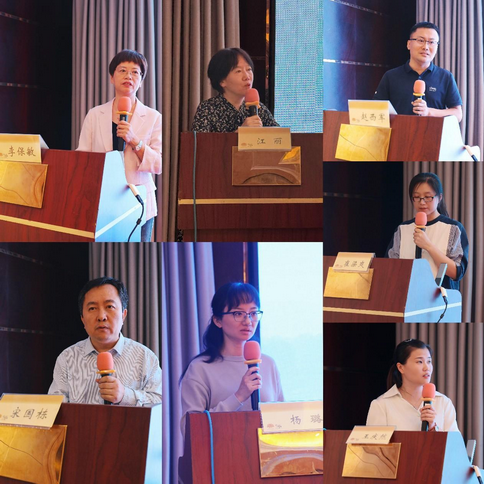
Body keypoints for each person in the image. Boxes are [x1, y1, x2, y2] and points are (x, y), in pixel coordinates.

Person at [77, 49, 162, 242]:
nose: (129, 76)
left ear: (141, 81)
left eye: (135, 72)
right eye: (122, 70)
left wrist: (135, 141)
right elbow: (82, 158)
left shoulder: (153, 117)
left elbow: (158, 164)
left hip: (138, 201)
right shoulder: (95, 114)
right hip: (102, 200)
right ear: (111, 77)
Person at [180, 282, 284, 432]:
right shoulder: (200, 368)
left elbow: (283, 419)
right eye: (238, 314)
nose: (248, 321)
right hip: (222, 447)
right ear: (218, 320)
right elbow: (191, 430)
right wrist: (239, 396)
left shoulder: (268, 363)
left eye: (253, 313)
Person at [48, 277, 162, 405]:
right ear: (83, 319)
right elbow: (55, 406)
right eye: (92, 308)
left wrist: (125, 395)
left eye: (109, 306)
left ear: (123, 315)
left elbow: (162, 403)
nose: (101, 316)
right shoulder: (67, 358)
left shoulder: (145, 357)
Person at [386, 172, 468, 290]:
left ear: (439, 198)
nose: (422, 202)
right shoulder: (402, 229)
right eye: (417, 197)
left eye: (428, 197)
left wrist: (428, 246)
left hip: (439, 297)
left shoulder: (453, 228)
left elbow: (457, 273)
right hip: (407, 294)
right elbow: (390, 267)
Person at [373, 22, 462, 120]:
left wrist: (429, 112)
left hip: (433, 130)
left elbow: (458, 114)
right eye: (421, 40)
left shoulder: (445, 77)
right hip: (400, 130)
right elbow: (377, 110)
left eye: (431, 42)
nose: (426, 47)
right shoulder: (391, 76)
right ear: (409, 44)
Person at [367, 339, 459, 432]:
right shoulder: (381, 405)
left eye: (429, 361)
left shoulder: (443, 402)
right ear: (401, 367)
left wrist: (433, 428)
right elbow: (374, 441)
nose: (427, 367)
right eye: (420, 362)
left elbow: (455, 441)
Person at [192, 48, 279, 132]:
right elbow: (198, 141)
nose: (247, 77)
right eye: (238, 71)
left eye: (249, 69)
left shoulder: (258, 108)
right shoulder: (208, 109)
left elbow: (279, 137)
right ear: (222, 81)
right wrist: (240, 133)